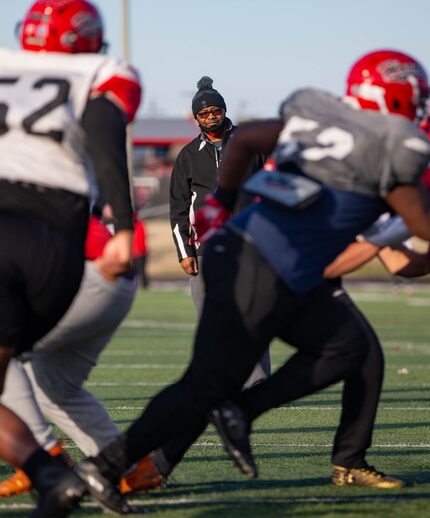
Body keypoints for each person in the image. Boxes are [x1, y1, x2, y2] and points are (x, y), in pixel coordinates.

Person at [73, 49, 430, 513]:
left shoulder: (315, 117)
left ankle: (111, 466)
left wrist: (219, 210)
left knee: (326, 353)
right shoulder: (393, 150)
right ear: (401, 99)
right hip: (268, 266)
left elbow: (249, 140)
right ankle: (230, 416)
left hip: (249, 253)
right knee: (334, 350)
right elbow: (418, 224)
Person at [0, 0, 141, 515]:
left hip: (17, 225)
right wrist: (126, 225)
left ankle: (50, 467)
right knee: (41, 377)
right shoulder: (102, 71)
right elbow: (106, 131)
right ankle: (55, 474)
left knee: (25, 370)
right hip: (56, 242)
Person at [0, 213, 162, 499]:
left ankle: (43, 461)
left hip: (85, 274)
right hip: (109, 282)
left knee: (5, 353)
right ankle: (133, 468)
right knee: (55, 387)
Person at [170, 75, 270, 387]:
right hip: (205, 250)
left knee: (253, 314)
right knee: (211, 322)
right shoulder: (187, 155)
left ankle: (258, 382)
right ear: (196, 117)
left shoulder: (249, 144)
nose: (211, 117)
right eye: (204, 113)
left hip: (250, 244)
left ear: (224, 110)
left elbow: (271, 187)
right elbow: (177, 207)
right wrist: (185, 253)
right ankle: (219, 382)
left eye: (216, 110)